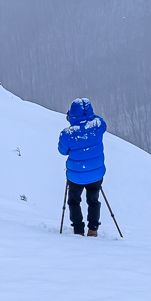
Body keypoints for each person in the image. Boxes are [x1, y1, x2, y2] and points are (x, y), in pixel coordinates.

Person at [58, 98, 107, 236]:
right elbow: (101, 123)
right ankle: (93, 229)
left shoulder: (67, 134)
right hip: (96, 174)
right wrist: (89, 116)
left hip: (76, 175)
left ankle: (78, 229)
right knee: (93, 200)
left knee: (74, 201)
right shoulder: (98, 125)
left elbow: (62, 151)